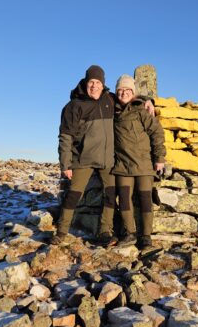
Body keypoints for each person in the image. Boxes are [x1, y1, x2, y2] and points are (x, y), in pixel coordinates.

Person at [51, 65, 117, 245]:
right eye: (91, 82)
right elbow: (65, 137)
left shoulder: (110, 100)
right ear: (85, 83)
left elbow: (129, 98)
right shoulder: (74, 106)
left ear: (103, 84)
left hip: (107, 160)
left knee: (111, 194)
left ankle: (104, 231)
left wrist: (148, 100)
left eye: (97, 82)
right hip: (82, 159)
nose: (94, 86)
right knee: (73, 195)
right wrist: (65, 164)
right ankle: (61, 231)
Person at [112, 74, 166, 249]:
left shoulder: (142, 110)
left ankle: (146, 236)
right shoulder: (111, 110)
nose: (123, 93)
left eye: (128, 90)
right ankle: (129, 233)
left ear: (133, 92)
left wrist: (159, 159)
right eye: (120, 90)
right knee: (125, 200)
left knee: (145, 199)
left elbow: (156, 133)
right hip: (122, 166)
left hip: (144, 165)